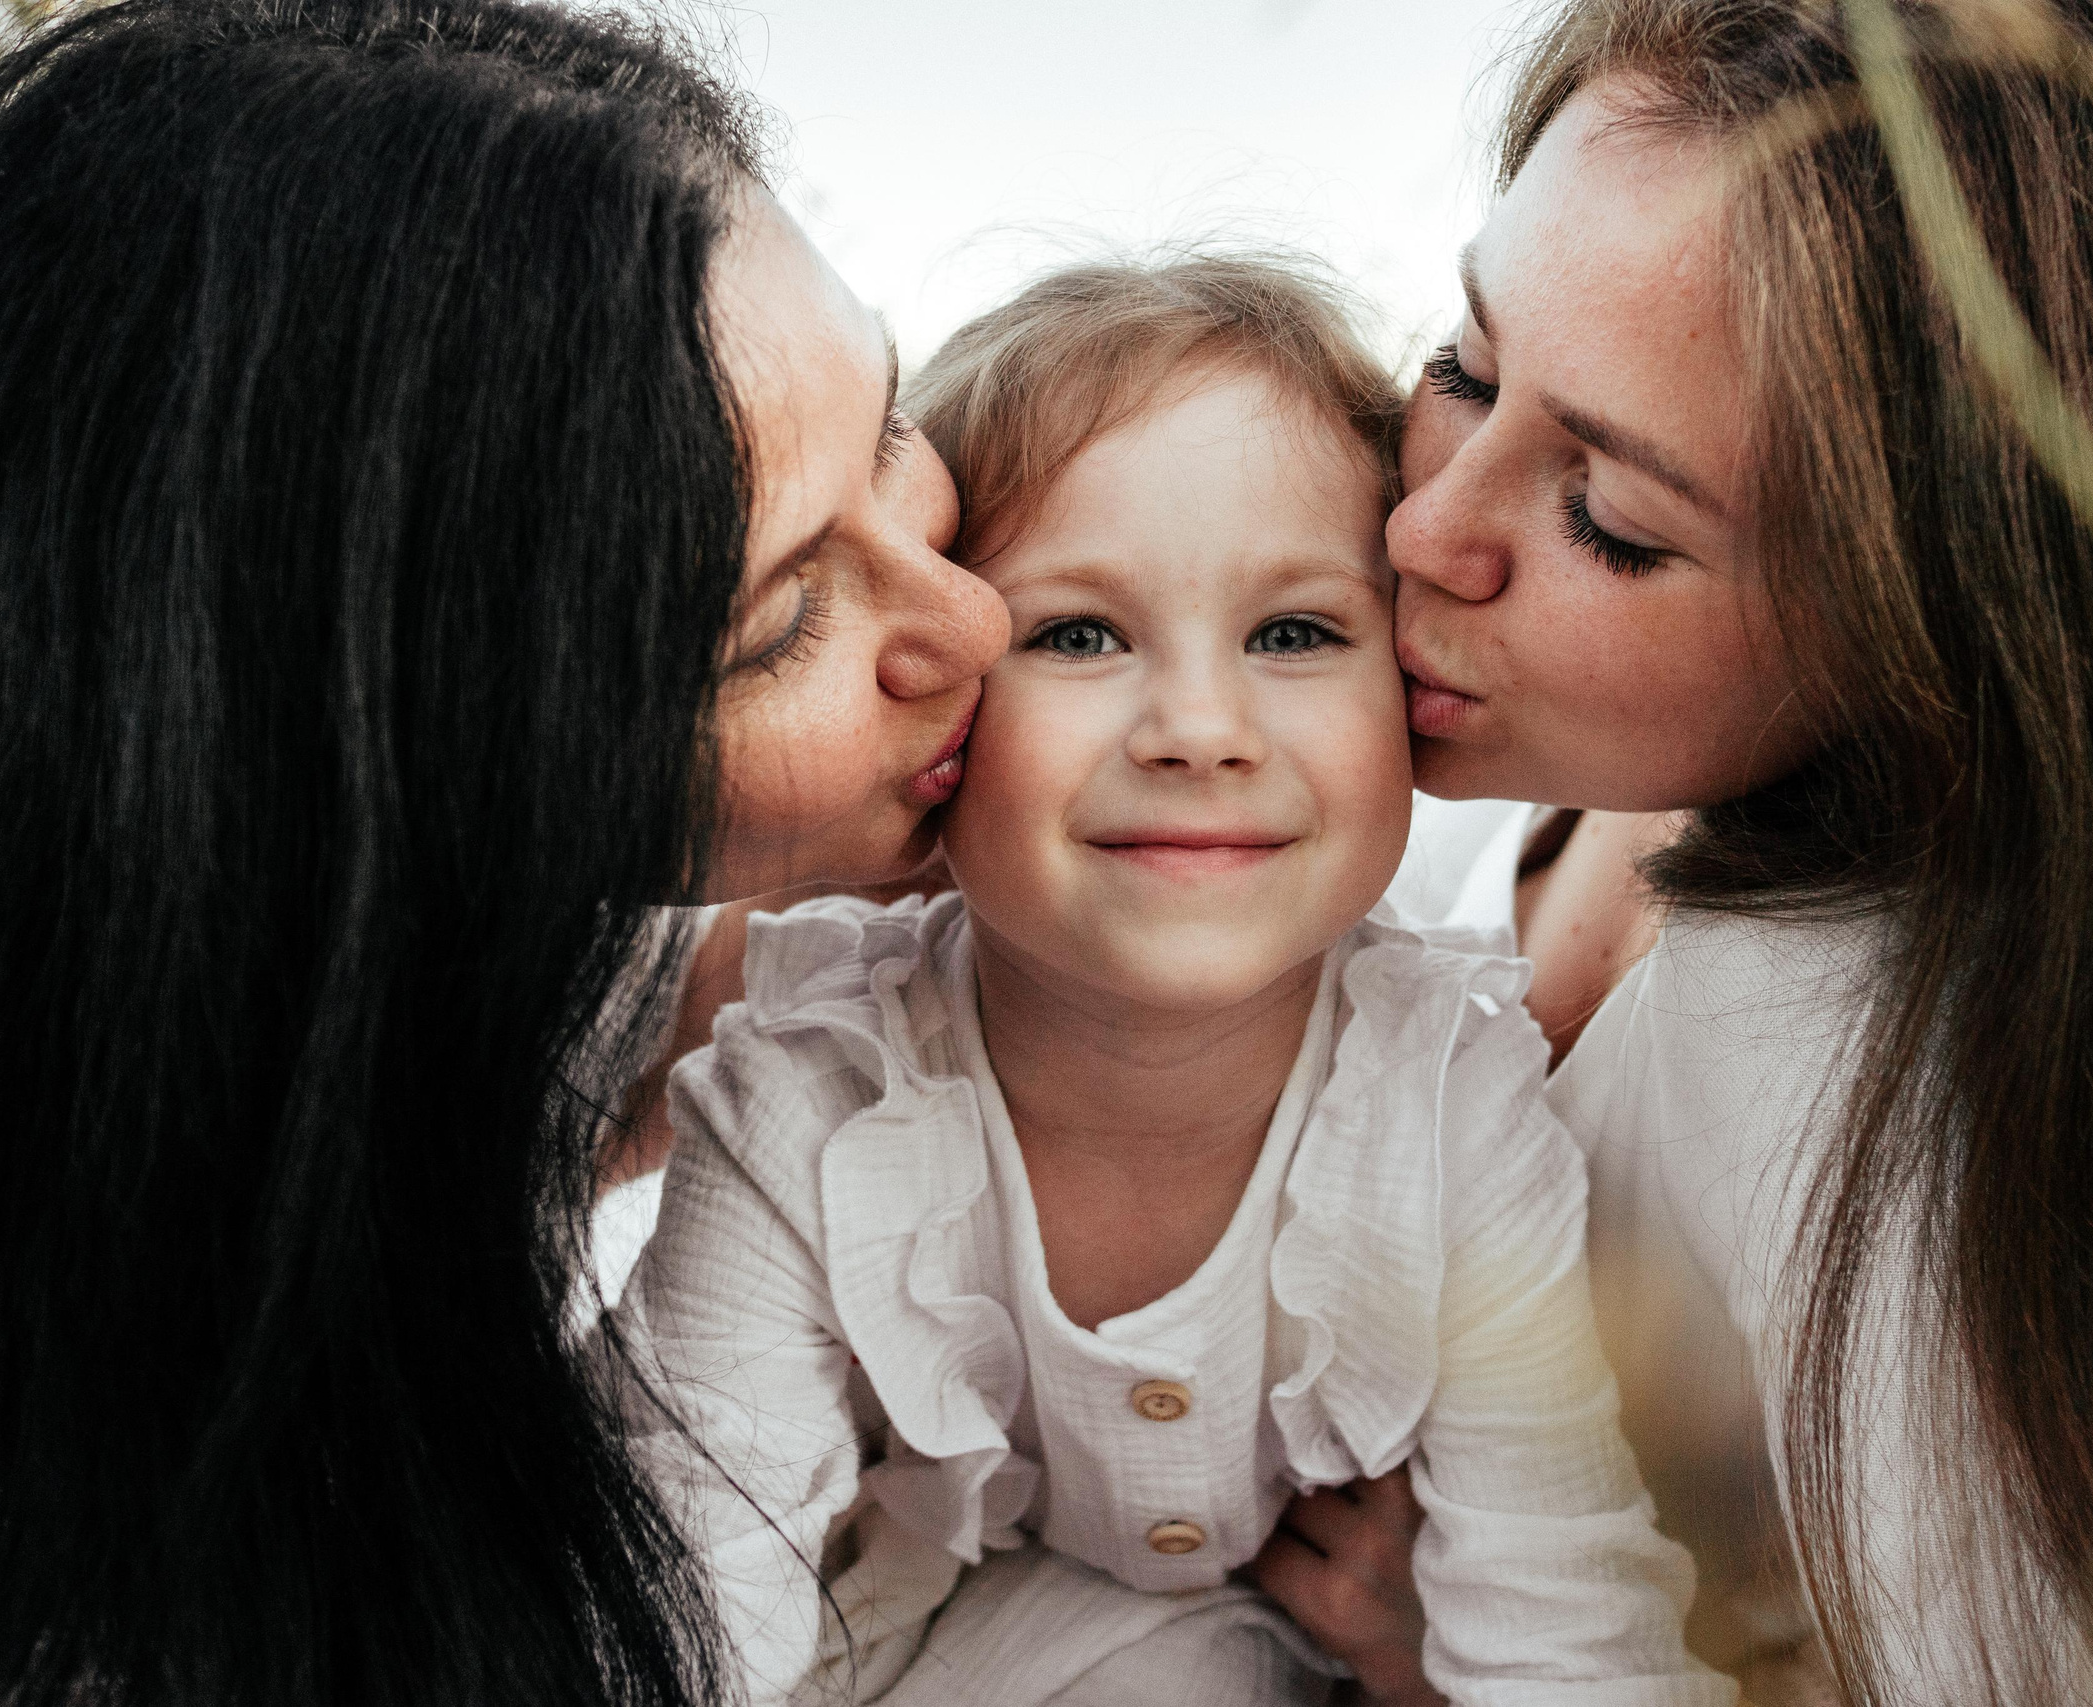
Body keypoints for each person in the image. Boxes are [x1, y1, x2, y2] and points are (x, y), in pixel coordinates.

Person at [0, 0, 1004, 1702]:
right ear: (414, 779)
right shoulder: (34, 1576)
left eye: (895, 427)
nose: (971, 617)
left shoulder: (499, 962)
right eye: (776, 624)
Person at [1386, 0, 2093, 1700]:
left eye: (1616, 522)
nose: (1430, 525)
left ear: (1962, 632)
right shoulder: (1623, 782)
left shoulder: (1840, 1062)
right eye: (1464, 365)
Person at [614, 254, 1731, 1707]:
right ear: (940, 711)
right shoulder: (803, 1085)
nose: (1200, 729)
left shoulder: (1459, 1102)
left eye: (1295, 634)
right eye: (1078, 634)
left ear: (1410, 694)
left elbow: (1565, 1617)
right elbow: (688, 1590)